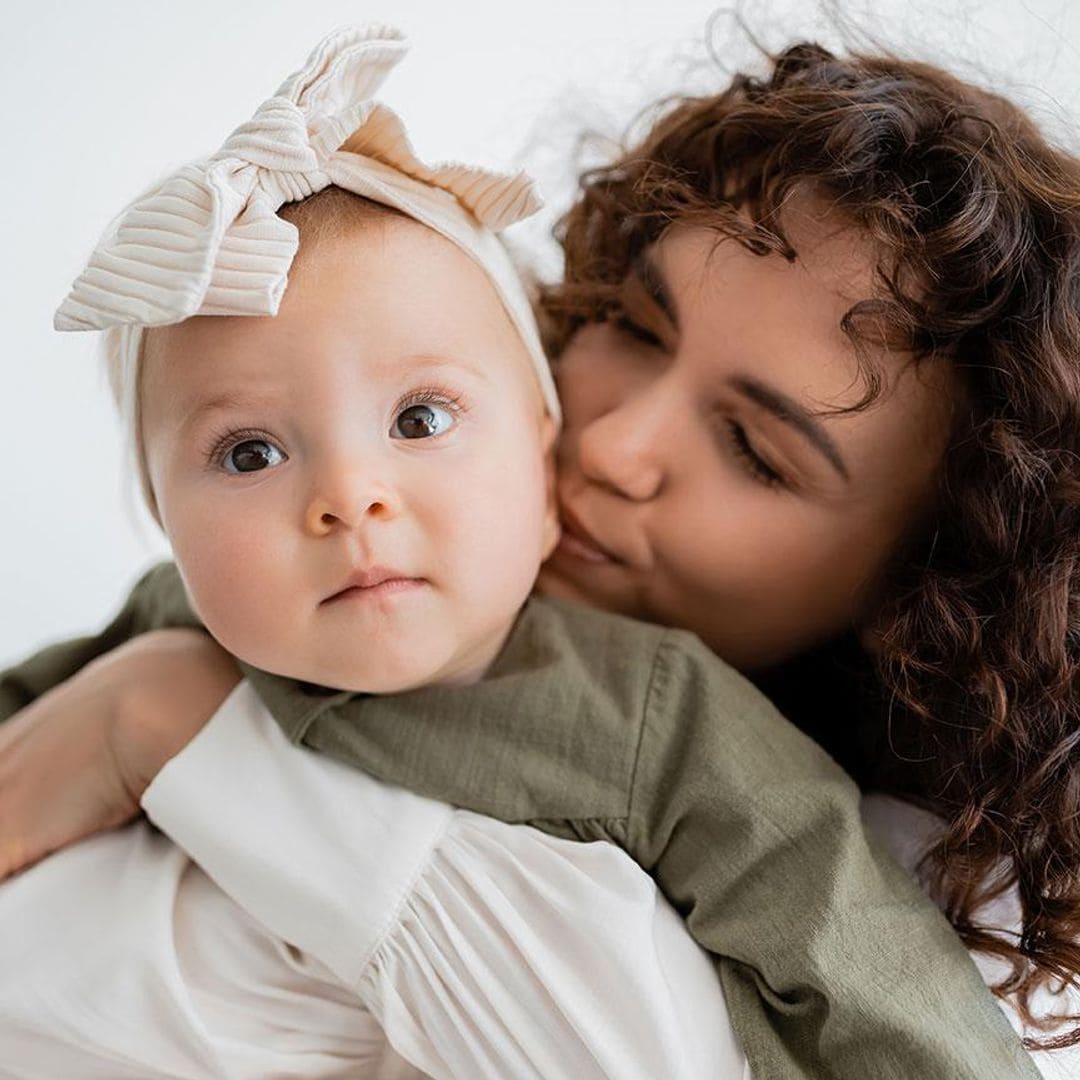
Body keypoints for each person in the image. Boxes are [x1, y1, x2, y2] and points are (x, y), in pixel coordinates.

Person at [2, 22, 1078, 1079]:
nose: (610, 444)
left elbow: (880, 996)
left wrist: (171, 725)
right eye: (633, 326)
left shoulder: (680, 742)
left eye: (754, 450)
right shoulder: (227, 604)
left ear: (926, 588)